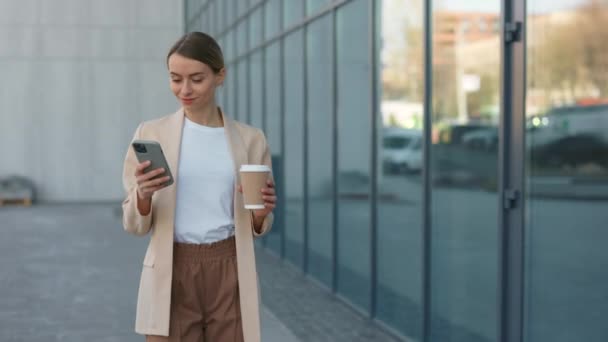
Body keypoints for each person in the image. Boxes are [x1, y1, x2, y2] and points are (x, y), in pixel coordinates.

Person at [121, 31, 276, 342]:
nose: (185, 89)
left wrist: (262, 212)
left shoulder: (250, 139)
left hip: (230, 267)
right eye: (176, 79)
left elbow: (259, 222)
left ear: (220, 76)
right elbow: (134, 224)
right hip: (172, 267)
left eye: (196, 78)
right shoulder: (151, 133)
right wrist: (143, 196)